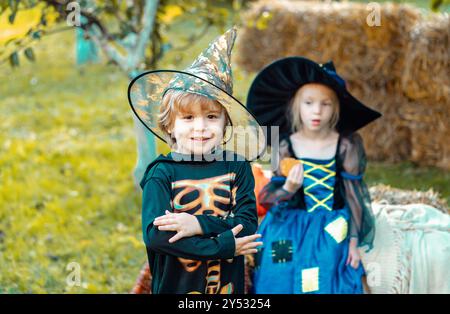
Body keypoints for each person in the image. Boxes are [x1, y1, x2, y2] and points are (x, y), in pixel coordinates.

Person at [127, 28, 266, 294]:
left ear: (226, 123)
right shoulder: (162, 173)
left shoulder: (237, 167)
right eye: (188, 118)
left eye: (212, 117)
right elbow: (157, 237)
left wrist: (196, 224)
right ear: (169, 126)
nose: (200, 127)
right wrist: (225, 244)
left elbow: (247, 224)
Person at [245, 56, 382, 294]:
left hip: (332, 223)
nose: (317, 111)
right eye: (309, 103)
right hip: (290, 223)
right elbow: (267, 199)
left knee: (331, 273)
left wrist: (353, 242)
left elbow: (354, 195)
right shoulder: (286, 146)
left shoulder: (346, 145)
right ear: (296, 106)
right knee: (278, 272)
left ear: (336, 107)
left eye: (325, 104)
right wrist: (288, 188)